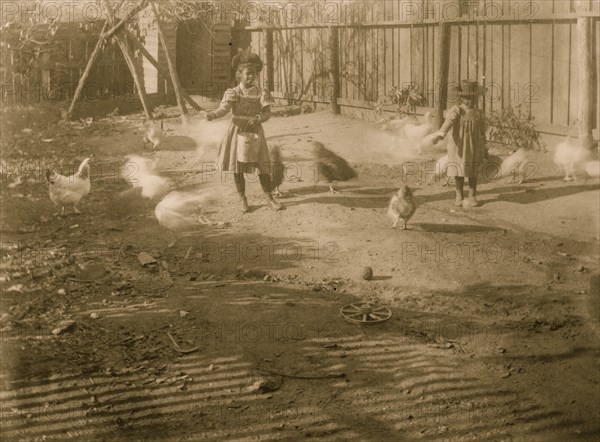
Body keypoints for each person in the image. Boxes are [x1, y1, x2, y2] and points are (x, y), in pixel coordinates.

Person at [205, 52, 282, 213]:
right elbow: (223, 109)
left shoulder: (261, 92)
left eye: (254, 74)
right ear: (239, 75)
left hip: (255, 131)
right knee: (237, 166)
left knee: (263, 165)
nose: (251, 77)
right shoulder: (232, 92)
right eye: (248, 74)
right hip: (237, 131)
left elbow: (267, 113)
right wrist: (212, 115)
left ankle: (269, 198)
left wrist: (259, 118)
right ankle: (243, 199)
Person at [432, 80, 488, 208]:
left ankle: (472, 195)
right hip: (458, 147)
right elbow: (447, 124)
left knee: (472, 171)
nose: (470, 101)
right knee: (458, 171)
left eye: (472, 98)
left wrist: (485, 148)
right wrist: (440, 135)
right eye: (467, 98)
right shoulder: (456, 111)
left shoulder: (478, 113)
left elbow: (482, 132)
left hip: (473, 148)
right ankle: (459, 195)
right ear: (461, 98)